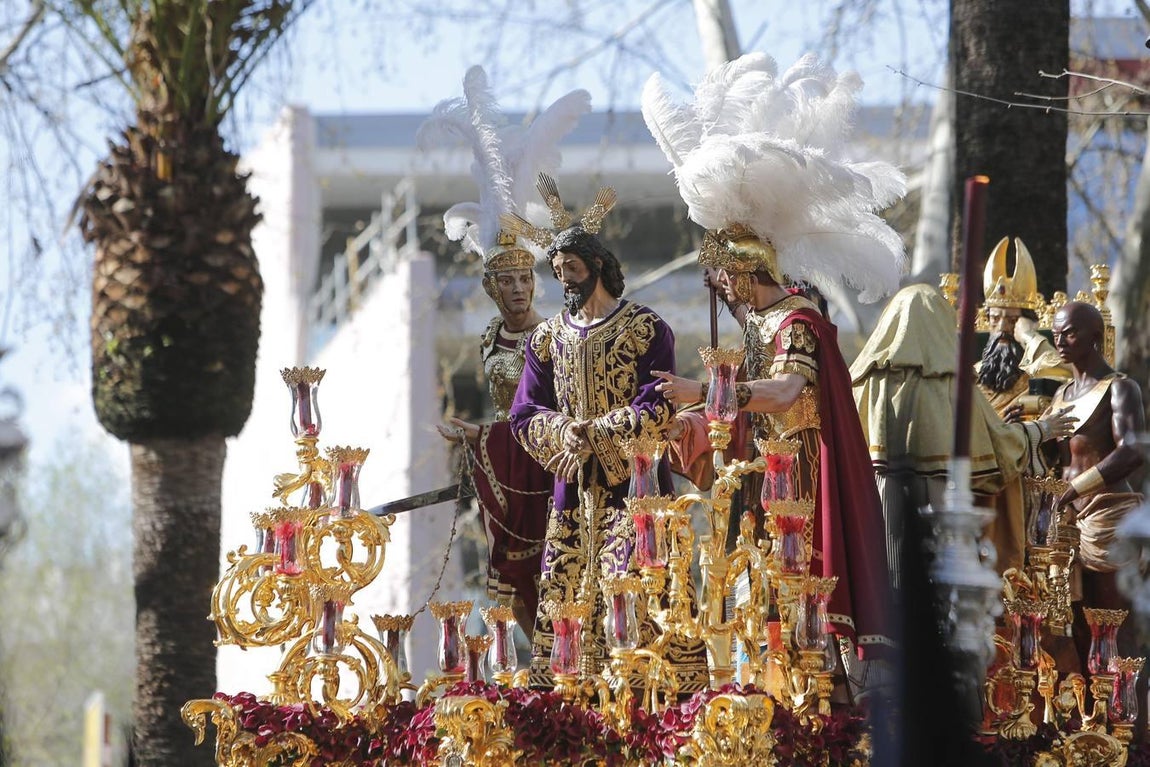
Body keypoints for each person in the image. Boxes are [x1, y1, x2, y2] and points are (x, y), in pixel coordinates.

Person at [642, 52, 904, 701]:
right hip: (763, 477)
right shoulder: (761, 321)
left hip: (803, 480)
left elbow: (785, 392)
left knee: (804, 594)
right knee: (761, 594)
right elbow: (749, 393)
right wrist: (692, 422)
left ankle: (826, 698)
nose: (725, 286)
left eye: (730, 276)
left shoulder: (795, 323)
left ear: (750, 271)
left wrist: (702, 392)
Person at [502, 175, 706, 688]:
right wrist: (563, 431)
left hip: (634, 487)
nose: (564, 280)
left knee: (638, 581)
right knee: (570, 593)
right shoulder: (546, 340)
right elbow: (524, 411)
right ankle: (572, 698)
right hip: (572, 492)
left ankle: (648, 692)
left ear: (596, 267)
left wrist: (596, 432)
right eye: (557, 272)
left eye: (571, 269)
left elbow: (659, 400)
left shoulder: (646, 329)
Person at [418, 66, 592, 637]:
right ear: (492, 289)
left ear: (535, 284)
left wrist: (481, 435)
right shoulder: (492, 337)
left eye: (524, 280)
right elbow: (503, 410)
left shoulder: (554, 336)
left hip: (549, 474)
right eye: (506, 283)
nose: (517, 289)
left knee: (552, 586)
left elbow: (563, 413)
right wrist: (483, 438)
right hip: (503, 473)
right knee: (510, 590)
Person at [849, 284, 1074, 585]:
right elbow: (995, 445)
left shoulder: (863, 382)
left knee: (883, 587)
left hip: (873, 501)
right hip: (939, 501)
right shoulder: (950, 382)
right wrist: (1041, 430)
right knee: (934, 591)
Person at [1049, 301, 1145, 653]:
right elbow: (1058, 458)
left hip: (1108, 517)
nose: (1060, 341)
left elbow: (1132, 451)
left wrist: (1076, 487)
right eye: (1056, 334)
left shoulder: (1120, 388)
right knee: (1076, 628)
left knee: (1113, 627)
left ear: (1095, 336)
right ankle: (1089, 708)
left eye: (1070, 333)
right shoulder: (1060, 395)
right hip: (1066, 523)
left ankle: (1130, 708)